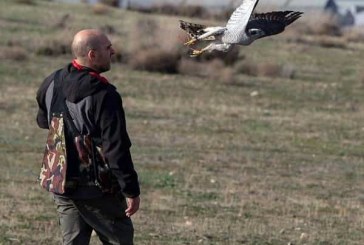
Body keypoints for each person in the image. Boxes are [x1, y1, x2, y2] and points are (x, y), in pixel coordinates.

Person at [36, 29, 140, 245]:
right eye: (108, 48)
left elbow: (43, 121)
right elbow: (116, 148)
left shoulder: (52, 81)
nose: (113, 51)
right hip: (96, 189)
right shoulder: (104, 95)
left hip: (61, 182)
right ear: (92, 55)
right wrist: (130, 189)